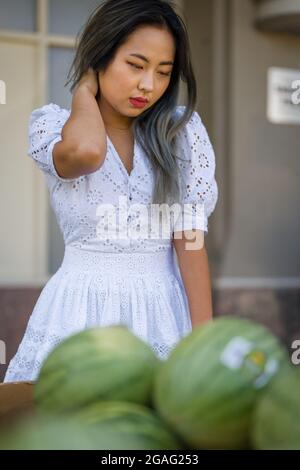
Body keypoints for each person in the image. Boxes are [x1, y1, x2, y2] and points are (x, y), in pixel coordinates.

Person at [4, 0, 218, 383]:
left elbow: (190, 240)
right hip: (79, 312)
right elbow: (86, 153)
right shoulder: (53, 125)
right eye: (135, 66)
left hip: (163, 312)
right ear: (99, 58)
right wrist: (84, 91)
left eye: (164, 72)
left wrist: (204, 344)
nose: (148, 85)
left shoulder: (180, 133)